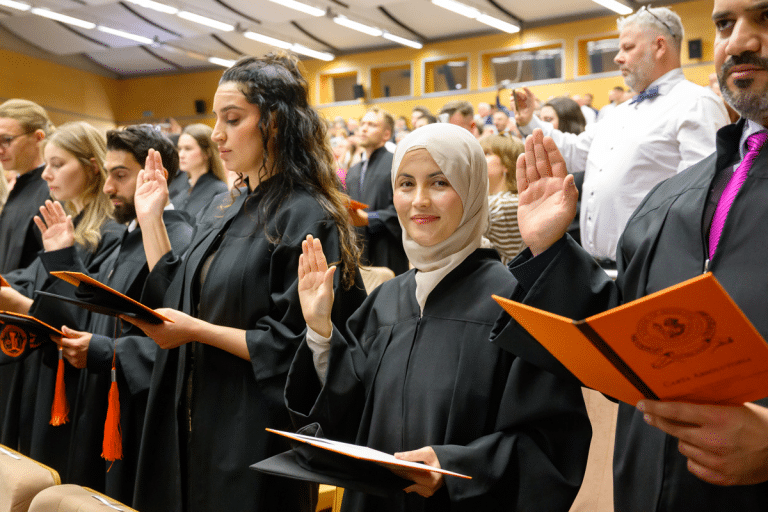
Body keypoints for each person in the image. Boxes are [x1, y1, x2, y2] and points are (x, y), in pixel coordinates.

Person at [493, 0, 768, 506]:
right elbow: (630, 331)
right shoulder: (674, 198)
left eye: (766, 18)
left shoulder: (688, 117)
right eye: (726, 23)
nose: (740, 42)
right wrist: (553, 249)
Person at [287, 123, 591, 512]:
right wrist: (319, 333)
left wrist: (456, 466)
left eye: (440, 183)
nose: (420, 201)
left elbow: (552, 444)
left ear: (471, 188)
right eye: (406, 184)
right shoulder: (384, 303)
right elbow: (344, 418)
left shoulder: (515, 302)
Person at [122, 53, 366, 512]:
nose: (216, 134)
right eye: (216, 119)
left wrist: (196, 332)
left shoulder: (308, 215)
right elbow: (179, 294)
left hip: (253, 431)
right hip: (193, 419)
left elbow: (297, 345)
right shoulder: (230, 207)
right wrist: (151, 218)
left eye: (232, 119)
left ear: (275, 123)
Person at [27, 124, 194, 502]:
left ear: (156, 176)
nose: (107, 187)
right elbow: (90, 317)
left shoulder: (176, 240)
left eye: (120, 175)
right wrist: (62, 258)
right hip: (100, 400)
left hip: (137, 417)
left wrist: (103, 351)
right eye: (108, 174)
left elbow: (178, 338)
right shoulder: (126, 237)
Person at [512, 6, 730, 268]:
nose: (617, 57)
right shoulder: (618, 112)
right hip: (598, 265)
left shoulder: (695, 102)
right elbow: (574, 151)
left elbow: (703, 194)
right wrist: (530, 122)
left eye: (627, 48)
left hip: (652, 265)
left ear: (659, 46)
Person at [0, 121, 123, 478]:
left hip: (73, 379)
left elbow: (82, 316)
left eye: (58, 164)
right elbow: (38, 281)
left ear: (91, 165)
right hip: (40, 370)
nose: (46, 175)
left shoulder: (109, 234)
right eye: (47, 164)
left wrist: (16, 303)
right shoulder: (70, 222)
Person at [346, 107, 409, 274]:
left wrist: (370, 217)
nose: (364, 128)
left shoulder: (396, 164)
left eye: (372, 124)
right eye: (362, 124)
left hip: (387, 249)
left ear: (386, 134)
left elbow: (402, 209)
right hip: (358, 249)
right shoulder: (353, 170)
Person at [0, 99, 54, 274]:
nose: (0, 149)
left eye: (6, 140)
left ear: (38, 137)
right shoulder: (20, 184)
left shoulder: (51, 188)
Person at [480, 134, 525, 264]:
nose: (478, 158)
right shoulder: (496, 202)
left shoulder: (503, 205)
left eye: (487, 153)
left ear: (507, 163)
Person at [169, 123, 228, 217]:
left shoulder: (220, 191)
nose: (181, 155)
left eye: (188, 149)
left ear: (207, 153)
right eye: (179, 149)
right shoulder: (176, 184)